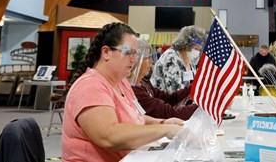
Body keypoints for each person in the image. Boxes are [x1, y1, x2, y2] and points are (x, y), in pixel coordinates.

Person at [61, 22, 184, 162]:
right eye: (129, 52)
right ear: (106, 52)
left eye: (136, 53)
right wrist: (164, 130)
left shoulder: (121, 83)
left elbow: (137, 118)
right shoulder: (90, 86)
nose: (135, 59)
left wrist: (164, 123)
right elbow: (108, 136)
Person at [131, 39, 199, 120]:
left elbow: (169, 98)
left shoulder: (143, 83)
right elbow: (171, 113)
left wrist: (194, 86)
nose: (152, 61)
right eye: (148, 57)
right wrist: (202, 105)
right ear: (137, 60)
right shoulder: (135, 90)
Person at [151, 25, 206, 93]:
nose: (197, 52)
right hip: (165, 100)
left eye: (199, 50)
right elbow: (174, 92)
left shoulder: (190, 59)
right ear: (186, 45)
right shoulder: (170, 58)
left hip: (183, 100)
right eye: (196, 49)